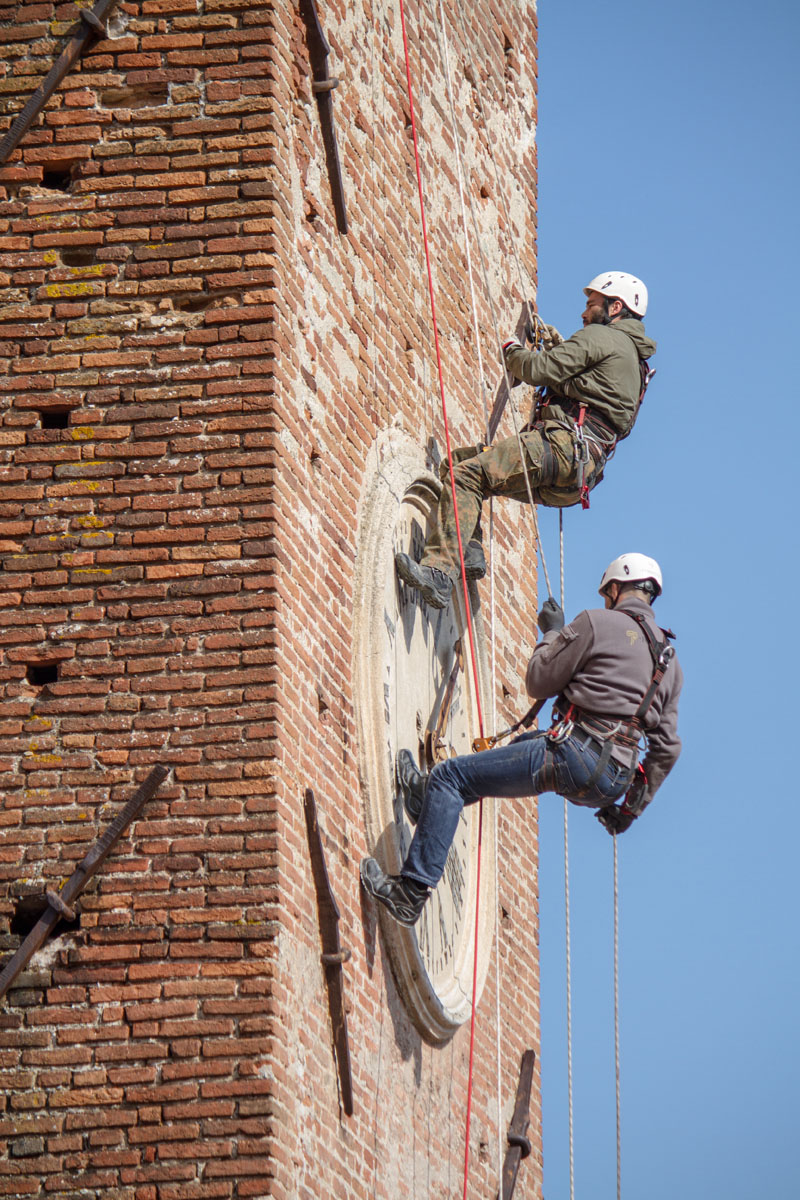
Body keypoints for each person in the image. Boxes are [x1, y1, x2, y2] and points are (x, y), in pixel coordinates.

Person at [361, 553, 683, 927]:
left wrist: (552, 632)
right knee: (511, 755)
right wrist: (627, 811)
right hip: (613, 781)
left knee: (452, 776)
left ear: (614, 589)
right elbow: (667, 748)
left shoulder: (597, 623)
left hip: (574, 754)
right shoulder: (669, 660)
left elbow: (538, 680)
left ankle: (410, 893)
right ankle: (427, 798)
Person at [395, 272, 657, 609]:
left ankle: (439, 573)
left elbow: (538, 370)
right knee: (461, 464)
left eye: (592, 305)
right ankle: (469, 552)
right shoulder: (635, 364)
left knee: (467, 476)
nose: (584, 313)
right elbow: (586, 391)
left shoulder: (603, 338)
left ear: (615, 306)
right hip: (576, 476)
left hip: (560, 447)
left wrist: (512, 351)